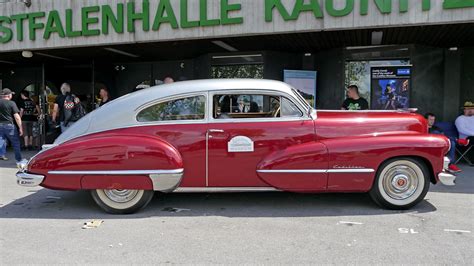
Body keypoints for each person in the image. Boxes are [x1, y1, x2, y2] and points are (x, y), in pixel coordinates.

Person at [0, 88, 24, 165]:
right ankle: (19, 159)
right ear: (9, 95)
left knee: (1, 141)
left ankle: (1, 155)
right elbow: (17, 116)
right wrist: (20, 127)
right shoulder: (11, 103)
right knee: (16, 143)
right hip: (9, 125)